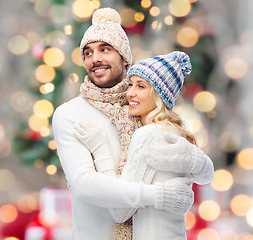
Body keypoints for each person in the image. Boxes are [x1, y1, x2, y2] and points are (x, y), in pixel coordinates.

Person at [52, 8, 197, 240]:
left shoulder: (146, 108)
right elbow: (84, 184)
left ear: (124, 57)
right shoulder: (69, 114)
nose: (95, 59)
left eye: (105, 49)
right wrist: (158, 195)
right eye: (87, 53)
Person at [74, 51, 214, 240]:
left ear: (159, 94)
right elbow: (206, 174)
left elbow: (119, 210)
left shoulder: (147, 135)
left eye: (141, 86)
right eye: (131, 84)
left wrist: (101, 149)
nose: (130, 92)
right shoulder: (177, 131)